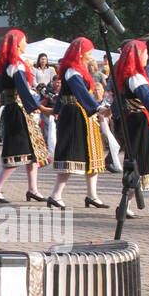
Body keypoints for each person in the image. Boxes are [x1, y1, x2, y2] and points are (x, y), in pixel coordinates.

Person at [0, 29, 49, 204]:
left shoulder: (9, 66)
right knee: (17, 152)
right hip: (18, 111)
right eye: (24, 41)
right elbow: (22, 90)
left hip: (18, 110)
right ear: (17, 43)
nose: (26, 43)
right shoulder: (16, 66)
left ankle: (33, 189)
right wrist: (40, 107)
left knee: (32, 153)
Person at [46, 37, 109, 210]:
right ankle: (55, 195)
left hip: (83, 114)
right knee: (71, 156)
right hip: (75, 115)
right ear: (80, 53)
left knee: (93, 155)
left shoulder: (77, 70)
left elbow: (63, 95)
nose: (90, 56)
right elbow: (79, 92)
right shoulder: (71, 71)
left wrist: (56, 109)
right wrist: (96, 107)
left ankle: (92, 195)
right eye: (88, 53)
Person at [113, 39, 149, 221]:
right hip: (141, 123)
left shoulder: (129, 76)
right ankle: (125, 205)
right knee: (143, 162)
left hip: (138, 121)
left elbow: (118, 104)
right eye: (145, 52)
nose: (147, 55)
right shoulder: (135, 78)